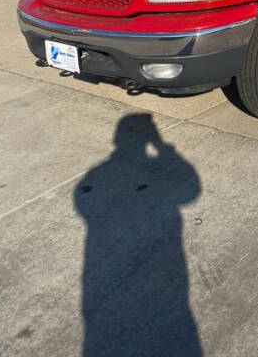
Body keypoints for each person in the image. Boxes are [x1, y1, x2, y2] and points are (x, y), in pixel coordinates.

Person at [74, 113, 203, 356]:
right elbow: (192, 192)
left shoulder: (97, 174)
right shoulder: (100, 174)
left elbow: (83, 206)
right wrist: (166, 149)